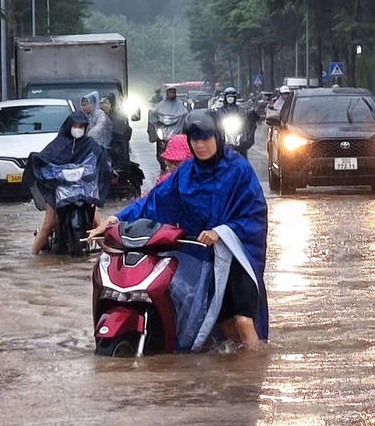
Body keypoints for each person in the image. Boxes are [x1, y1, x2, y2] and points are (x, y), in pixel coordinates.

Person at [92, 109, 268, 348]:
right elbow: (154, 202)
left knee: (243, 321)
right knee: (224, 325)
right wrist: (116, 219)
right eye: (194, 139)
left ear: (218, 136)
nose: (200, 145)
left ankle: (257, 367)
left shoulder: (238, 170)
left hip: (237, 257)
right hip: (201, 257)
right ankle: (232, 369)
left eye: (206, 138)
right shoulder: (186, 173)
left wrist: (221, 231)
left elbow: (254, 214)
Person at [24, 111, 110, 255]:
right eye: (75, 126)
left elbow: (100, 160)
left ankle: (107, 251)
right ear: (69, 126)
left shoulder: (90, 145)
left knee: (97, 223)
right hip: (59, 190)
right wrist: (36, 160)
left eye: (81, 126)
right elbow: (45, 158)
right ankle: (33, 256)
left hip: (83, 189)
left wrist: (108, 171)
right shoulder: (58, 144)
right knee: (48, 225)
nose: (78, 129)